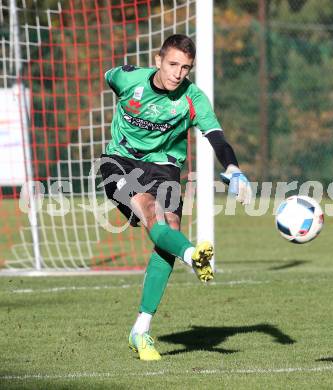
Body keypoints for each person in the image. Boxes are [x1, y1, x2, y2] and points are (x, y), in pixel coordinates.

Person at [100, 34, 252, 361]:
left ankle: (140, 331)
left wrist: (234, 168)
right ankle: (191, 255)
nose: (178, 73)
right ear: (158, 60)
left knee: (167, 229)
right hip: (119, 162)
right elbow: (109, 76)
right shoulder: (128, 79)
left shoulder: (192, 97)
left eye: (185, 67)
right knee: (152, 211)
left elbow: (216, 136)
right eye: (172, 64)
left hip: (165, 167)